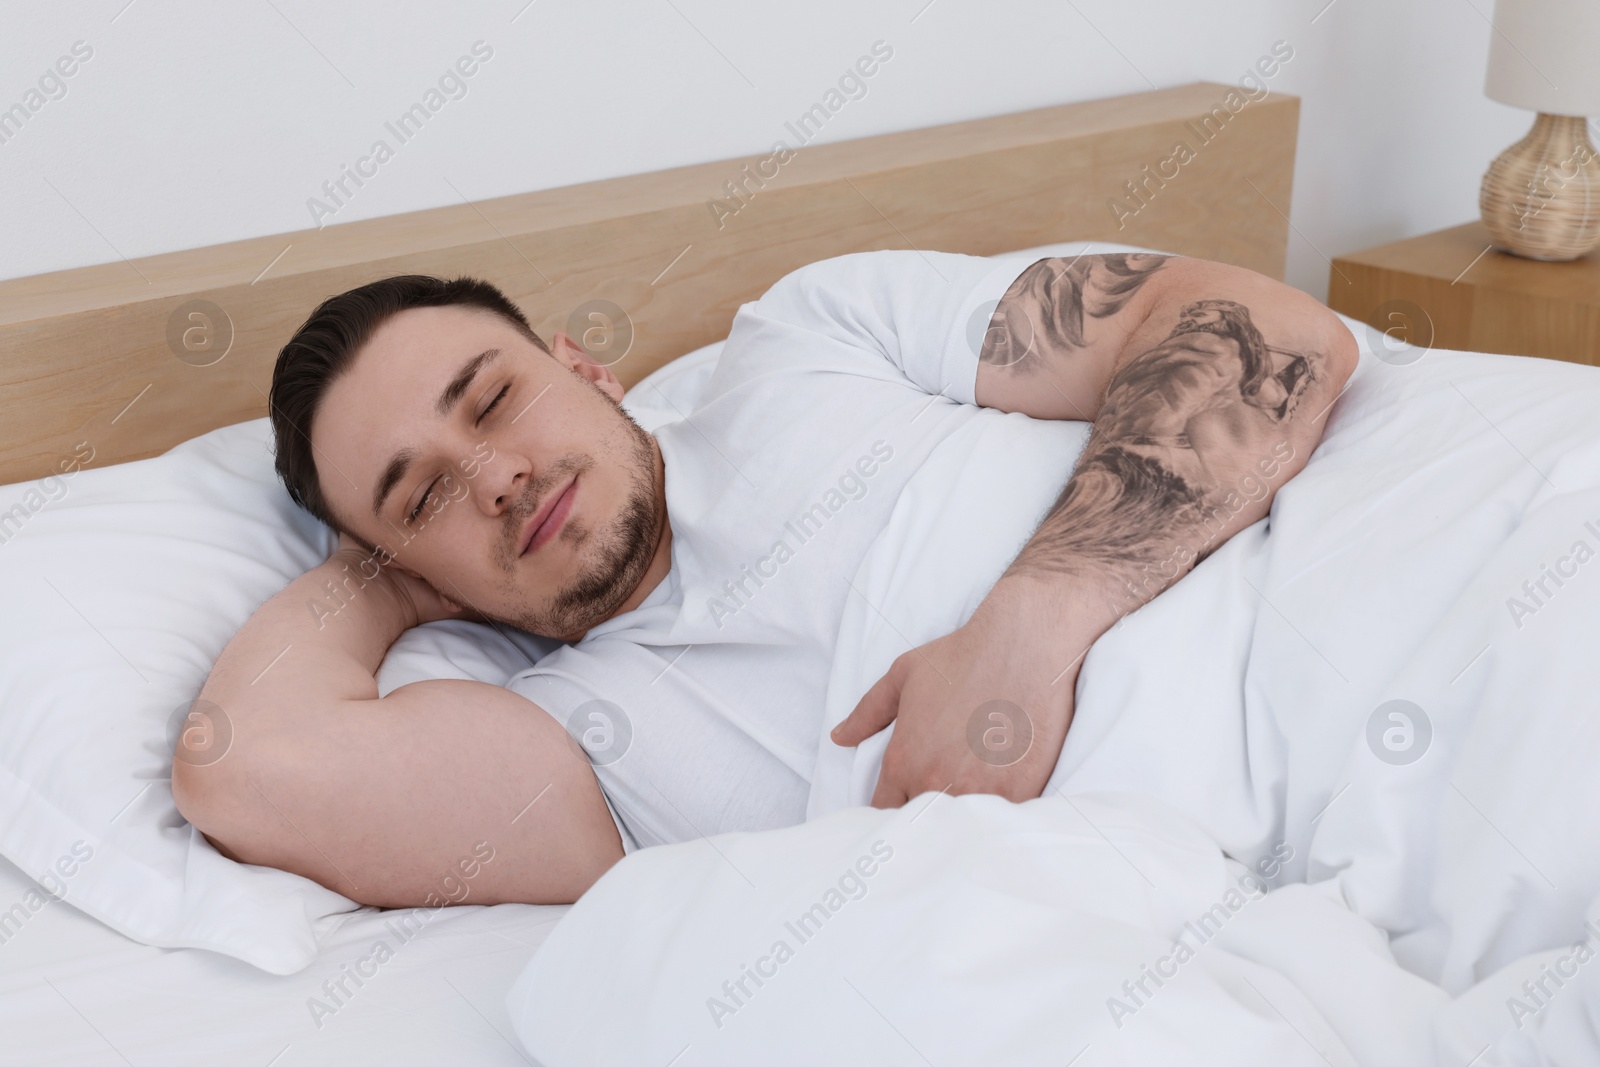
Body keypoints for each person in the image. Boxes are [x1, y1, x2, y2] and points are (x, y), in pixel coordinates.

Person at [171, 248, 1357, 908]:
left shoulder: (810, 336)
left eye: (494, 399)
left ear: (581, 363)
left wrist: (1031, 627)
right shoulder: (574, 745)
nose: (497, 478)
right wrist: (377, 571)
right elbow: (241, 766)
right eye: (422, 493)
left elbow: (1262, 325)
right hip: (1284, 872)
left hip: (1357, 619)